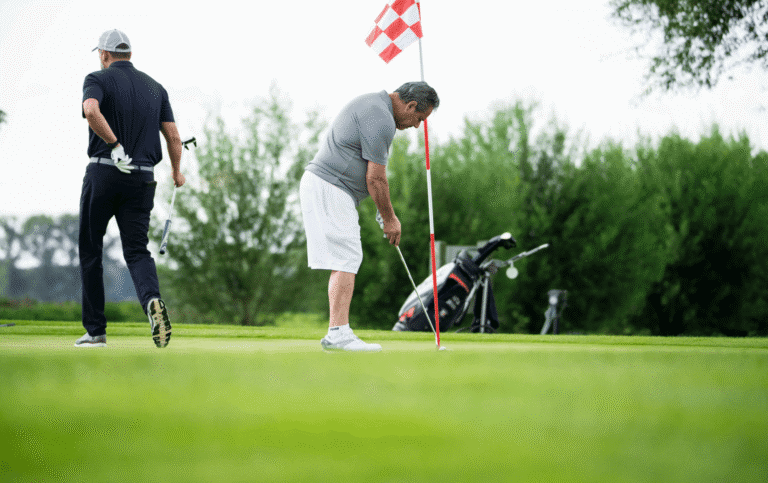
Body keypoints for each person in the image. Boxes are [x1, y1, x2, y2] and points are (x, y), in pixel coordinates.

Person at [299, 81, 440, 351]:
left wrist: (381, 209)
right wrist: (390, 219)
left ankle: (337, 331)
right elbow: (375, 177)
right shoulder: (381, 117)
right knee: (347, 255)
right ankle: (338, 333)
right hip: (330, 186)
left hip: (330, 187)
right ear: (410, 106)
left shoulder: (375, 107)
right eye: (419, 118)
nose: (416, 126)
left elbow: (370, 175)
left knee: (346, 255)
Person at [75, 30, 185, 348]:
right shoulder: (156, 88)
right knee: (137, 250)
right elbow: (174, 137)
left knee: (91, 250)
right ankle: (151, 300)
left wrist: (114, 144)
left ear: (105, 54)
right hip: (143, 179)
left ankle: (95, 331)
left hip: (105, 173)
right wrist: (177, 172)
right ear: (130, 54)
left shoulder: (96, 77)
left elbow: (91, 111)